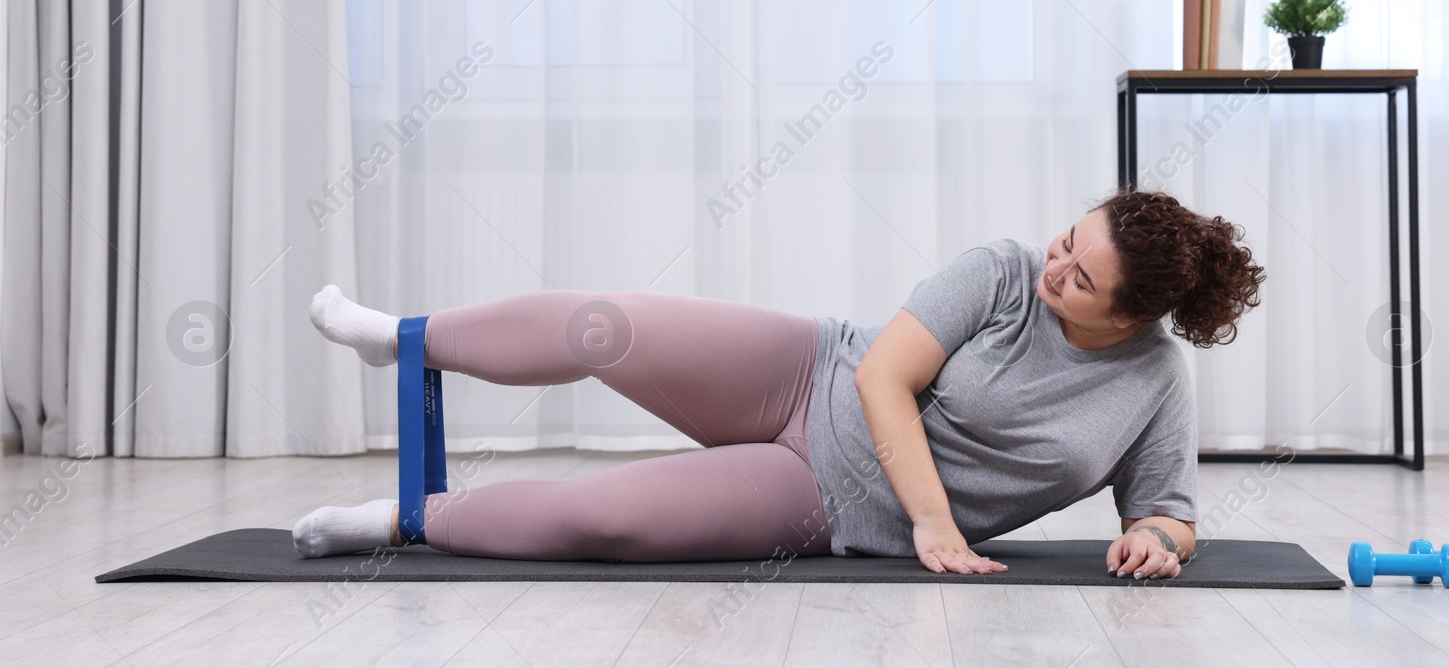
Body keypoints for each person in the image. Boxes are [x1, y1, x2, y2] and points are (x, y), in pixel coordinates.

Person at [293, 189, 1264, 579]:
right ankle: (399, 336)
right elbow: (885, 374)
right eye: (1066, 241)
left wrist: (1152, 537)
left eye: (1081, 279)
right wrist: (936, 522)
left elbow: (1170, 506)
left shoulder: (1149, 380)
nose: (1054, 268)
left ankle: (401, 519)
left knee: (601, 520)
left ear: (1131, 315)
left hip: (826, 499)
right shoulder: (1002, 268)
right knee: (607, 324)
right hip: (806, 370)